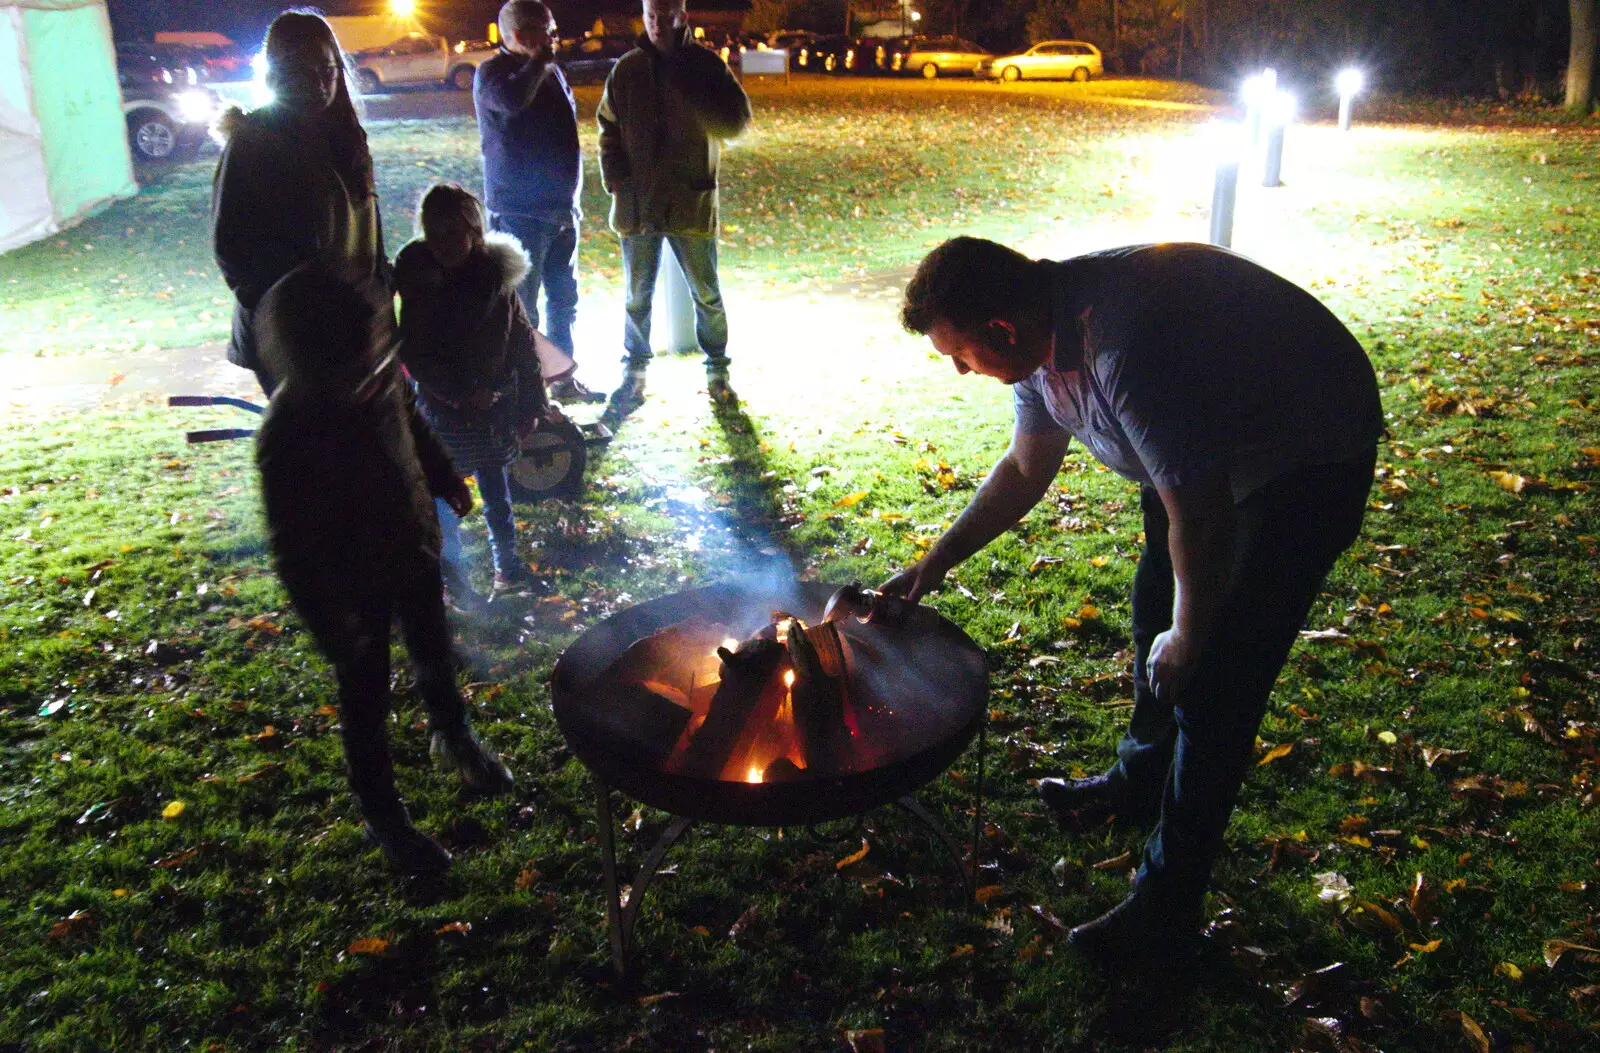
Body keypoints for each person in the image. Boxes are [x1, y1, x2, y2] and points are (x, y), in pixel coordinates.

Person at [883, 237, 1383, 974]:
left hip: (1301, 455)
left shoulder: (1123, 344)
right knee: (1157, 606)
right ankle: (1139, 779)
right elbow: (1026, 468)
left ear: (1002, 333)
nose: (961, 371)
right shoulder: (1039, 340)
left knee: (1215, 675)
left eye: (961, 355)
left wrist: (1192, 632)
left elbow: (1204, 518)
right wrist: (931, 565)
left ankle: (1167, 907)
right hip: (1202, 456)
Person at [254, 265, 517, 874]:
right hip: (353, 590)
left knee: (435, 654)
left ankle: (454, 738)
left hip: (413, 548)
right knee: (365, 699)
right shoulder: (289, 434)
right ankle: (384, 817)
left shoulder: (378, 379)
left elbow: (414, 426)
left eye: (377, 355)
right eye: (358, 365)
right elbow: (291, 548)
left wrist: (446, 477)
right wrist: (333, 626)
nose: (373, 373)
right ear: (311, 360)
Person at [394, 183, 565, 603]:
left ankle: (508, 569)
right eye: (436, 235)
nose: (445, 245)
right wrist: (456, 394)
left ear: (474, 231)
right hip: (444, 413)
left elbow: (522, 341)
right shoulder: (421, 284)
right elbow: (414, 351)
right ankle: (455, 580)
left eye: (454, 234)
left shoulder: (495, 278)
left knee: (496, 494)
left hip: (492, 411)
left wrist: (531, 401)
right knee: (444, 498)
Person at [212, 10, 388, 397]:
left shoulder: (346, 137)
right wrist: (293, 319)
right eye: (300, 69)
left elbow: (368, 232)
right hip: (291, 340)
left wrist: (380, 290)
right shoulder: (254, 142)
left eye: (327, 70)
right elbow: (234, 251)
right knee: (315, 449)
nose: (318, 83)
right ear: (276, 74)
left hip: (353, 329)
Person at [597, 0, 752, 409]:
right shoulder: (627, 70)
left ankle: (718, 371)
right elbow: (607, 127)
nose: (658, 25)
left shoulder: (706, 65)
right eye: (651, 17)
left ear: (683, 16)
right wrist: (614, 174)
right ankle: (634, 372)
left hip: (691, 200)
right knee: (636, 296)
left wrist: (699, 93)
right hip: (638, 205)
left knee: (707, 294)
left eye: (666, 16)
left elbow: (736, 122)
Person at [474, 0, 604, 405]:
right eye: (541, 30)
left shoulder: (549, 70)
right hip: (519, 213)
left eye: (550, 29)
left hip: (562, 208)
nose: (550, 38)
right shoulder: (492, 73)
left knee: (564, 300)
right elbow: (513, 102)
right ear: (515, 33)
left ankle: (563, 378)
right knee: (522, 307)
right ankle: (527, 390)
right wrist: (537, 63)